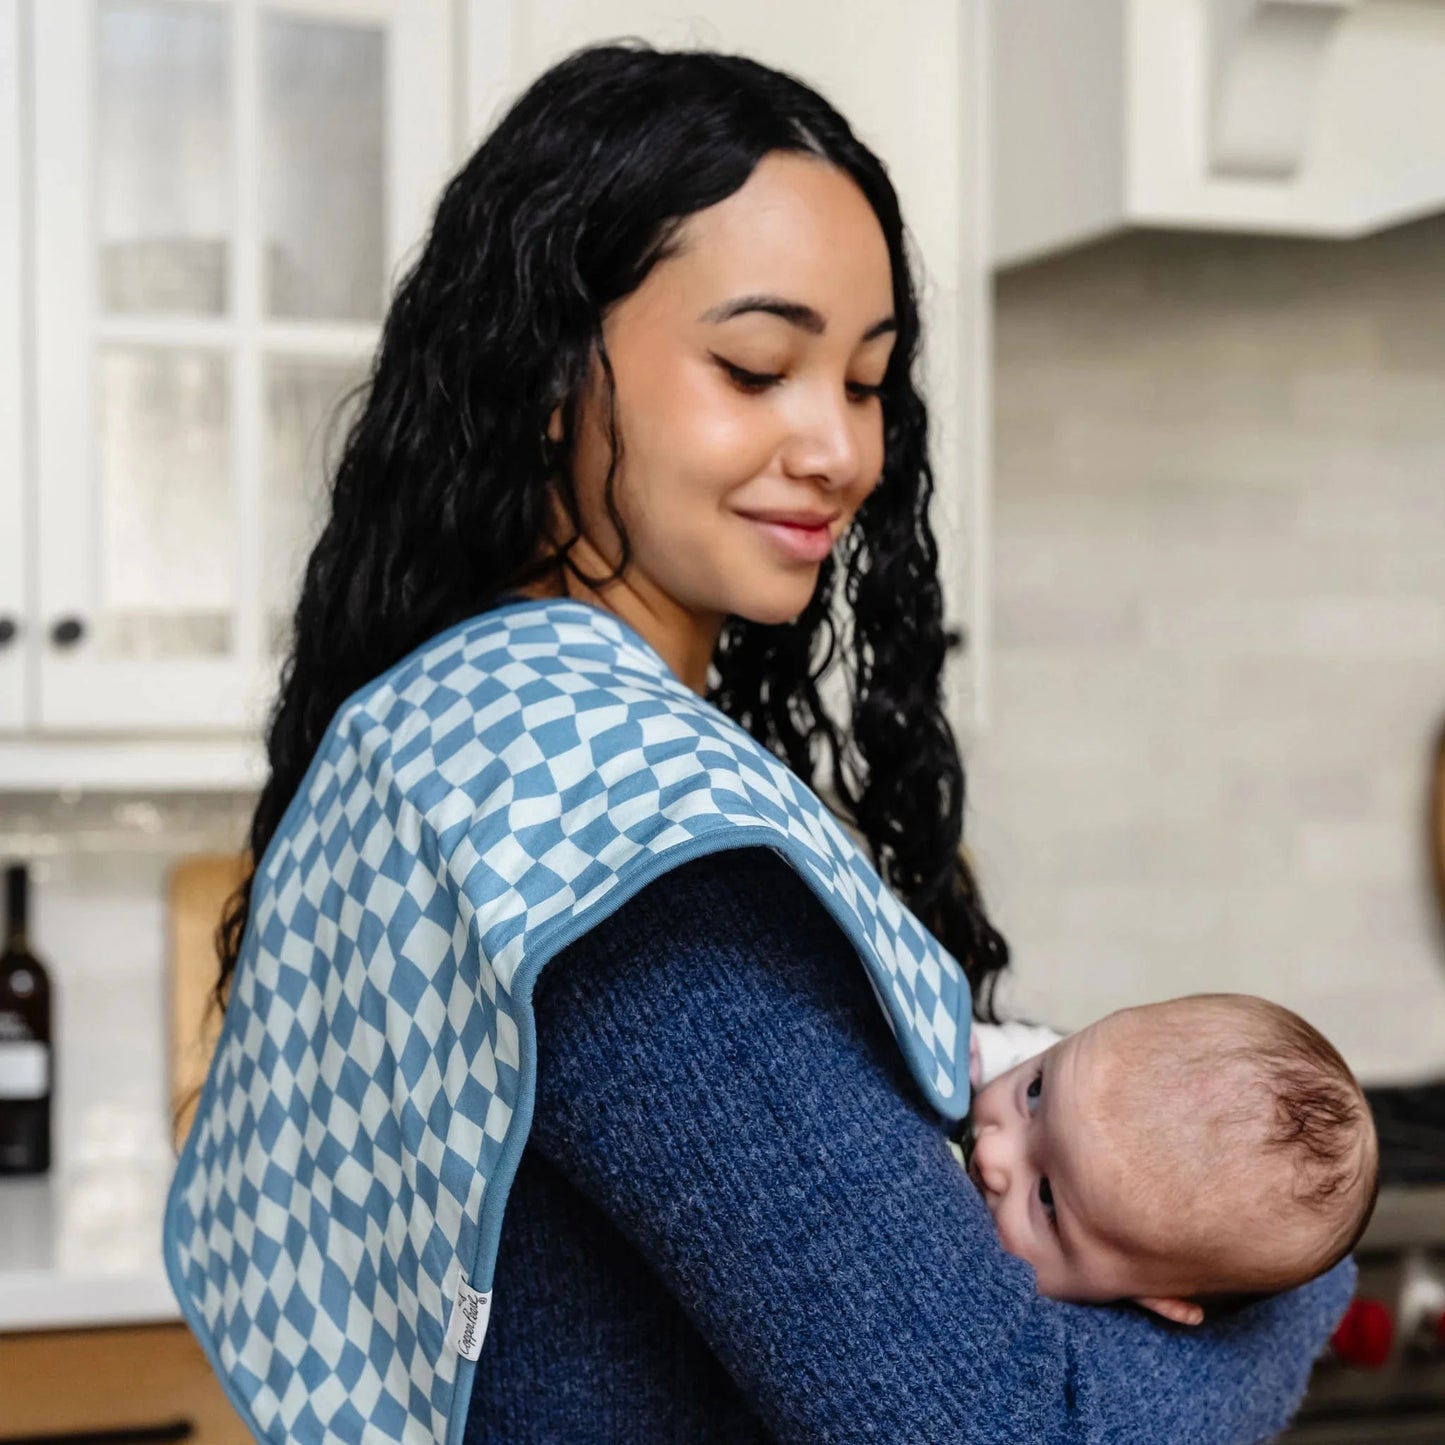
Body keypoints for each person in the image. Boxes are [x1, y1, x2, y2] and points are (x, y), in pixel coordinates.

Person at [192, 41, 1355, 1443]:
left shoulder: (455, 731)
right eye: (755, 367)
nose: (840, 451)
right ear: (547, 366)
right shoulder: (615, 844)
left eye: (866, 384)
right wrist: (1296, 1271)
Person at [958, 995, 1379, 1327]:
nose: (992, 1151)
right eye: (1034, 1093)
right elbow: (1037, 1049)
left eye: (1047, 1195)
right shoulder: (1080, 1079)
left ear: (1159, 1299)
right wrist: (975, 1049)